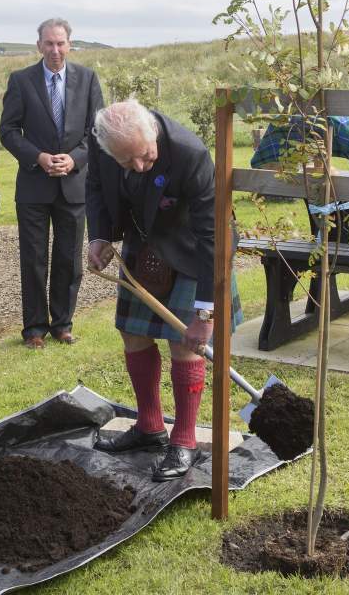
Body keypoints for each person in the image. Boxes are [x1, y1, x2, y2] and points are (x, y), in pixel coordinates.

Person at [86, 99, 241, 481]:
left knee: (184, 342)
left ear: (153, 132)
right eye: (127, 162)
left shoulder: (190, 154)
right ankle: (149, 427)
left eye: (145, 156)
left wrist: (206, 313)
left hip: (195, 250)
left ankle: (184, 441)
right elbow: (96, 186)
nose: (139, 166)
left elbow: (213, 239)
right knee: (132, 332)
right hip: (146, 242)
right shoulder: (104, 143)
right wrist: (100, 235)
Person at [0, 18, 104, 349]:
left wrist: (75, 159)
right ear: (39, 45)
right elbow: (8, 131)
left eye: (60, 43)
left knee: (69, 259)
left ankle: (62, 324)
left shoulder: (87, 79)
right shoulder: (21, 81)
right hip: (34, 185)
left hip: (73, 185)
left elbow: (97, 130)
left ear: (69, 44)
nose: (55, 50)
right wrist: (38, 157)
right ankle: (34, 328)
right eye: (49, 43)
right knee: (33, 259)